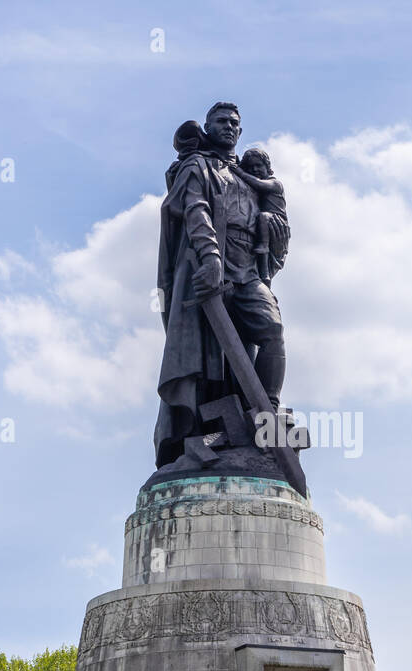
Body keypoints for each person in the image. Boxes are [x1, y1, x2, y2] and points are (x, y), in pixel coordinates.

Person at [154, 103, 290, 470]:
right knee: (208, 355)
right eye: (221, 122)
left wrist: (270, 225)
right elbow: (194, 209)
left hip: (248, 268)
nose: (229, 127)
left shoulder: (248, 174)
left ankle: (265, 413)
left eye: (235, 123)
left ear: (240, 133)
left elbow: (278, 219)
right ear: (209, 127)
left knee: (272, 331)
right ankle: (202, 433)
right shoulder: (197, 167)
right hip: (211, 264)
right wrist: (210, 256)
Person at [230, 147, 289, 284]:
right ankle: (263, 274)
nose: (255, 169)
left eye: (258, 165)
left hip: (276, 222)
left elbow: (258, 184)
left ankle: (264, 272)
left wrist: (240, 172)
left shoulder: (275, 183)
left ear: (267, 167)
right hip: (264, 225)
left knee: (263, 218)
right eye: (250, 167)